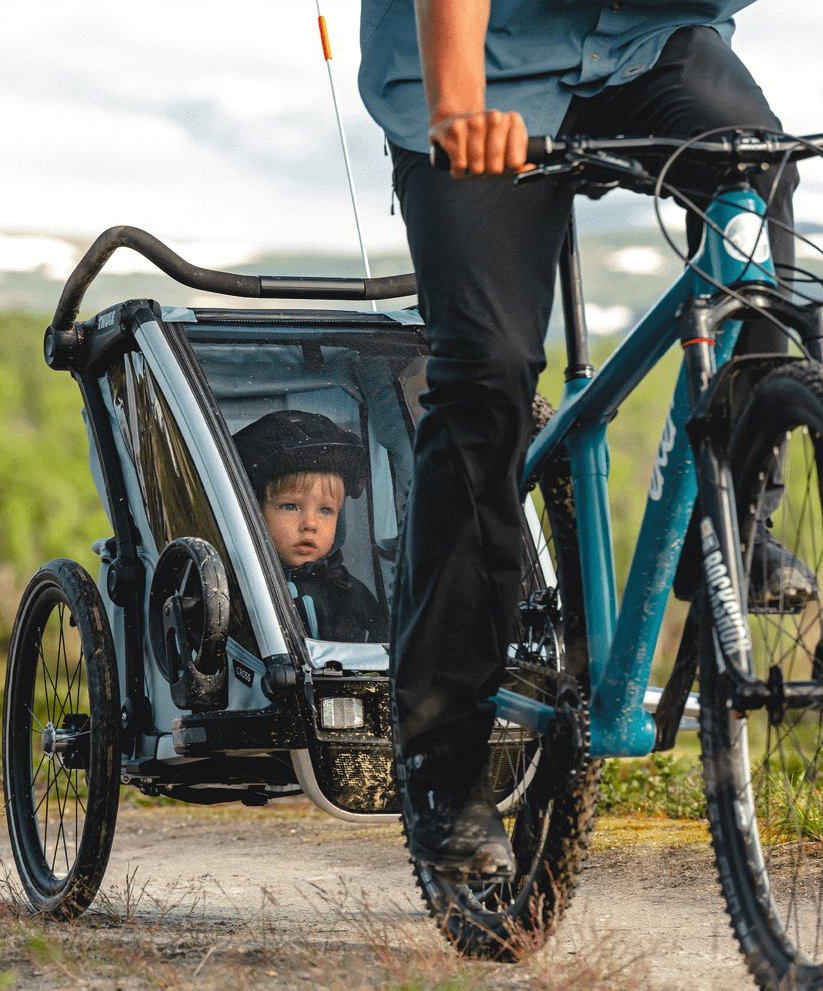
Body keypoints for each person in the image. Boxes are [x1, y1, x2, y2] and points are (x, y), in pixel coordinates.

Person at [358, 0, 808, 882]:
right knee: (484, 376)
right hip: (475, 66)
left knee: (756, 171)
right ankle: (442, 762)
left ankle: (735, 519)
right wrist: (457, 106)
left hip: (647, 49)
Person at [233, 410, 388, 644]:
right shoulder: (237, 593)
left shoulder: (350, 594)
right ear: (253, 511)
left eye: (325, 510)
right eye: (290, 506)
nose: (310, 524)